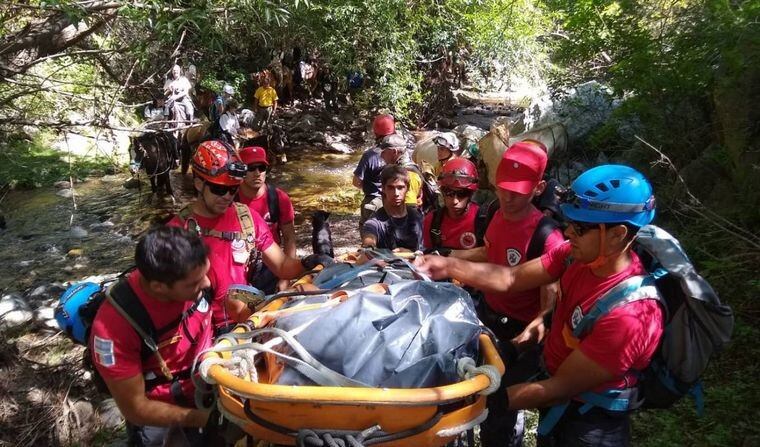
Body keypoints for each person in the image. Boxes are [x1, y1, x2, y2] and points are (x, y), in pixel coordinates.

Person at [416, 164, 663, 446]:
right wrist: (448, 265)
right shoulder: (577, 256)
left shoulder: (630, 316)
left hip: (591, 423)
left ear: (618, 234)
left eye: (579, 227)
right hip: (556, 387)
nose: (567, 231)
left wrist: (481, 399)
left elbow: (558, 389)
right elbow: (511, 277)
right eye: (568, 221)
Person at [89, 226, 213, 446]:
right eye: (194, 283)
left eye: (205, 274)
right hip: (164, 413)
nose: (207, 284)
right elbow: (136, 409)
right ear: (159, 287)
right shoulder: (114, 328)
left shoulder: (190, 272)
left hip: (208, 386)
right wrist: (206, 420)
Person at [167, 140, 306, 335]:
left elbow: (282, 266)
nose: (227, 196)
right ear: (198, 183)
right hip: (200, 332)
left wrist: (308, 263)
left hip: (244, 324)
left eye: (232, 189)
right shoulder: (175, 233)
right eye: (219, 189)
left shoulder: (246, 218)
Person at [236, 146, 297, 294]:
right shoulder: (229, 198)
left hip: (270, 265)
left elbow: (289, 239)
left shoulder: (279, 198)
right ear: (241, 171)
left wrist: (285, 278)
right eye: (251, 168)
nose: (257, 173)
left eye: (261, 168)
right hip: (238, 264)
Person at [422, 158, 480, 252]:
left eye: (461, 194)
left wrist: (449, 255)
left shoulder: (483, 220)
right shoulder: (432, 221)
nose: (455, 201)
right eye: (449, 193)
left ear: (471, 194)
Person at [361, 165, 423, 251]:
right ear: (383, 188)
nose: (396, 193)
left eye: (400, 187)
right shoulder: (374, 223)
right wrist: (368, 247)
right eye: (391, 188)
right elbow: (369, 240)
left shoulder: (418, 216)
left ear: (407, 188)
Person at [352, 114, 394, 227]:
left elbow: (356, 182)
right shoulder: (398, 153)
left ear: (375, 132)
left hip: (373, 201)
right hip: (393, 199)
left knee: (369, 234)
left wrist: (366, 186)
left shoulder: (370, 155)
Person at [378, 133, 424, 209]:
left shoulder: (409, 174)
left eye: (384, 152)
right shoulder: (399, 170)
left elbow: (410, 207)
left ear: (394, 152)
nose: (381, 155)